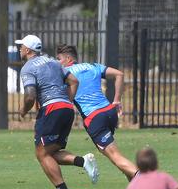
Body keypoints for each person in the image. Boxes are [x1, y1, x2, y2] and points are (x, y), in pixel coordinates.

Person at [17, 35, 99, 189]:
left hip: (51, 109)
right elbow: (73, 81)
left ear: (27, 50)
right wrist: (67, 101)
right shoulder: (53, 62)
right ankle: (83, 161)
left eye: (21, 46)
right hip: (66, 109)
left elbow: (30, 96)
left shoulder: (27, 68)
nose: (19, 49)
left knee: (41, 153)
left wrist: (23, 111)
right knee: (50, 152)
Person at [56, 44, 138, 181]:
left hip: (95, 118)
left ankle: (147, 182)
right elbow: (119, 74)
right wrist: (116, 100)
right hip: (109, 113)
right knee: (114, 156)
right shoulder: (92, 66)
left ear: (68, 58)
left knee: (116, 157)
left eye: (59, 59)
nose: (58, 63)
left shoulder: (66, 74)